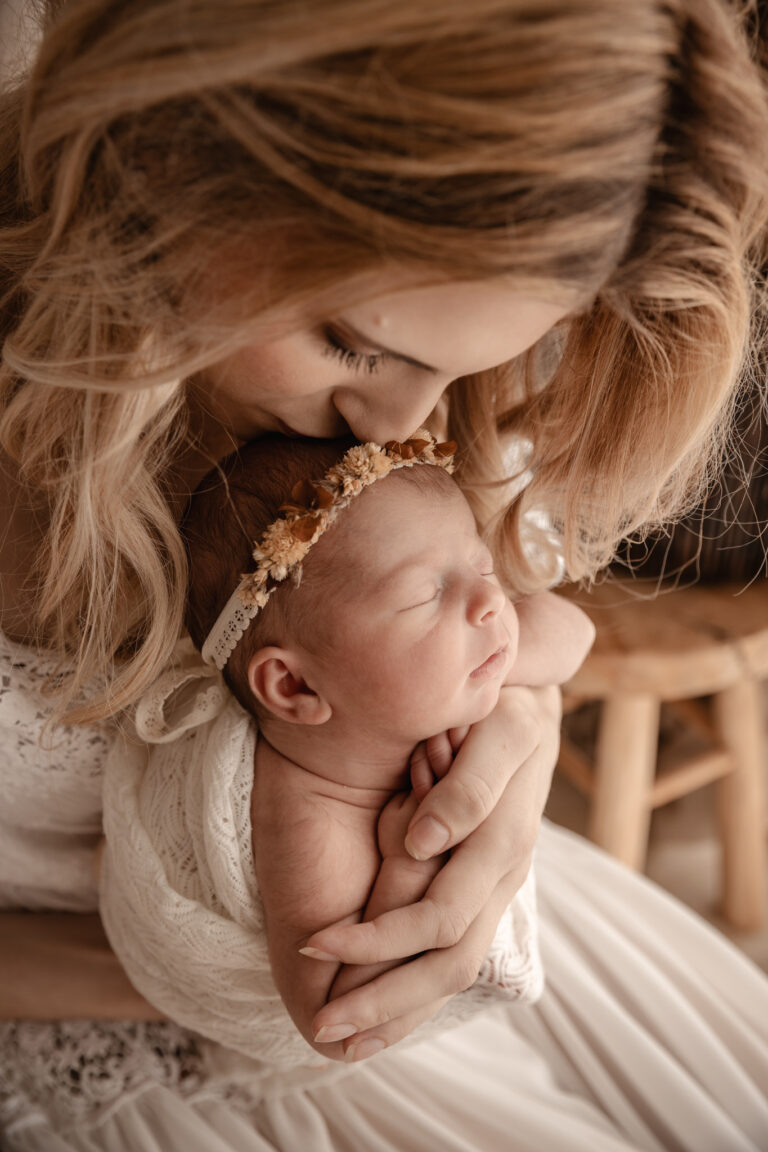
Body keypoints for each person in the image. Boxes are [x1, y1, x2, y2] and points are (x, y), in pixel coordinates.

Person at [0, 0, 767, 1148]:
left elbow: (506, 619)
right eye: (355, 344)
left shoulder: (436, 381)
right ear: (175, 153)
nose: (398, 427)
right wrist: (221, 979)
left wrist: (512, 710)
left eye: (467, 366)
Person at [100, 431, 596, 1064]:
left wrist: (510, 676)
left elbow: (575, 633)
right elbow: (338, 1022)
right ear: (296, 686)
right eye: (426, 594)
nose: (491, 601)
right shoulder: (307, 817)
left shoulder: (439, 665)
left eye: (481, 566)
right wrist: (411, 857)